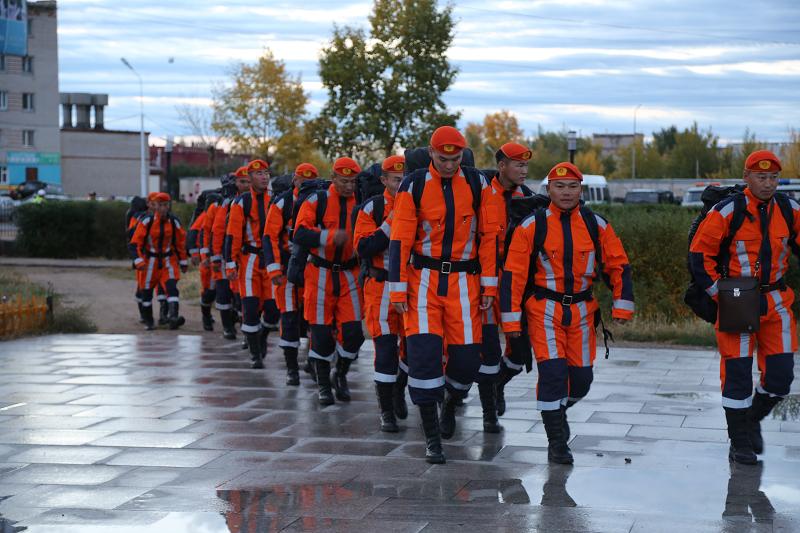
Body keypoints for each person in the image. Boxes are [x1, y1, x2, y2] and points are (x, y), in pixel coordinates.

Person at [500, 161, 633, 464]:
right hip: (543, 310)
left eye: (572, 186)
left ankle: (556, 413)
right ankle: (557, 442)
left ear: (580, 190)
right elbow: (513, 276)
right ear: (548, 190)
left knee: (582, 380)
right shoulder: (531, 226)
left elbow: (618, 264)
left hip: (583, 312)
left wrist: (622, 305)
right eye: (559, 186)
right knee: (553, 374)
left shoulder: (596, 224)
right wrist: (510, 322)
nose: (566, 192)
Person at [388, 126, 500, 463]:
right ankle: (432, 440)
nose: (450, 165)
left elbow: (489, 237)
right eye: (442, 158)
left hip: (466, 283)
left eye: (456, 159)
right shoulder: (414, 184)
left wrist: (490, 285)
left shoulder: (479, 184)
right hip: (422, 280)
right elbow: (399, 240)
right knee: (423, 358)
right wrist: (397, 289)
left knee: (466, 362)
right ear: (431, 154)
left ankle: (451, 402)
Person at [689, 150, 797, 465]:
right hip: (736, 295)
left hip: (777, 300)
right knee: (737, 373)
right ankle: (740, 443)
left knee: (781, 376)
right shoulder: (727, 211)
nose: (767, 183)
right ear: (746, 177)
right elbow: (699, 257)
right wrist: (718, 295)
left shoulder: (790, 209)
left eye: (773, 177)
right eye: (761, 177)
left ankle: (751, 420)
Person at [293, 157, 365, 405]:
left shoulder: (361, 203)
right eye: (344, 181)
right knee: (321, 336)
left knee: (354, 333)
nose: (349, 186)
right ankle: (323, 385)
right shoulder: (317, 200)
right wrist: (330, 236)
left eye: (353, 182)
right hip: (319, 274)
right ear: (333, 178)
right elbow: (300, 233)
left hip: (350, 275)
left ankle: (340, 373)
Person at [476, 142, 536, 433]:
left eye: (526, 165)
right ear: (502, 167)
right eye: (518, 165)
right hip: (484, 282)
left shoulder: (530, 198)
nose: (524, 170)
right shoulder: (481, 196)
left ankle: (499, 383)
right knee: (487, 352)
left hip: (516, 284)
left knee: (521, 348)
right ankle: (489, 414)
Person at [353, 155, 408, 432]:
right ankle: (386, 410)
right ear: (384, 180)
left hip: (413, 288)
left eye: (405, 179)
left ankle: (400, 388)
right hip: (381, 287)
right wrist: (391, 221)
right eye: (396, 179)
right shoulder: (372, 207)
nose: (401, 184)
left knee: (413, 351)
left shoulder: (421, 202)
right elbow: (363, 248)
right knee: (385, 350)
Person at [263, 162, 318, 386]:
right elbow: (270, 237)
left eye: (308, 181)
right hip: (286, 268)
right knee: (289, 316)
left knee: (316, 317)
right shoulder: (283, 202)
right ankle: (291, 368)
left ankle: (315, 363)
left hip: (312, 268)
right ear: (294, 180)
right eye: (300, 181)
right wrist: (274, 268)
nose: (303, 185)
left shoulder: (320, 200)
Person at [225, 160, 280, 369]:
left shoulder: (275, 199)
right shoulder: (241, 202)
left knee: (273, 309)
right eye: (259, 173)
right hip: (249, 260)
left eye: (266, 172)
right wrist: (230, 263)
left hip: (271, 261)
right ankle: (255, 354)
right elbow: (232, 235)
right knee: (249, 309)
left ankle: (263, 335)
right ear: (250, 178)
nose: (264, 177)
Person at [128, 192, 189, 330]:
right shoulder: (146, 221)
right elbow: (134, 243)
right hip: (149, 261)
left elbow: (180, 242)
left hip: (169, 260)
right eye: (160, 205)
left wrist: (183, 261)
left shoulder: (174, 221)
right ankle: (149, 321)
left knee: (172, 288)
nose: (163, 208)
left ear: (169, 206)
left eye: (165, 205)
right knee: (146, 292)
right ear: (154, 206)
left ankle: (173, 318)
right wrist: (137, 260)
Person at [209, 169, 250, 340]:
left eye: (248, 181)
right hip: (228, 253)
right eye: (242, 182)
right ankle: (228, 327)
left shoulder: (262, 202)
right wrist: (216, 256)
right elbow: (218, 231)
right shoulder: (227, 204)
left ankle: (248, 331)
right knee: (224, 292)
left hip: (248, 256)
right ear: (236, 184)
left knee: (245, 296)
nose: (246, 185)